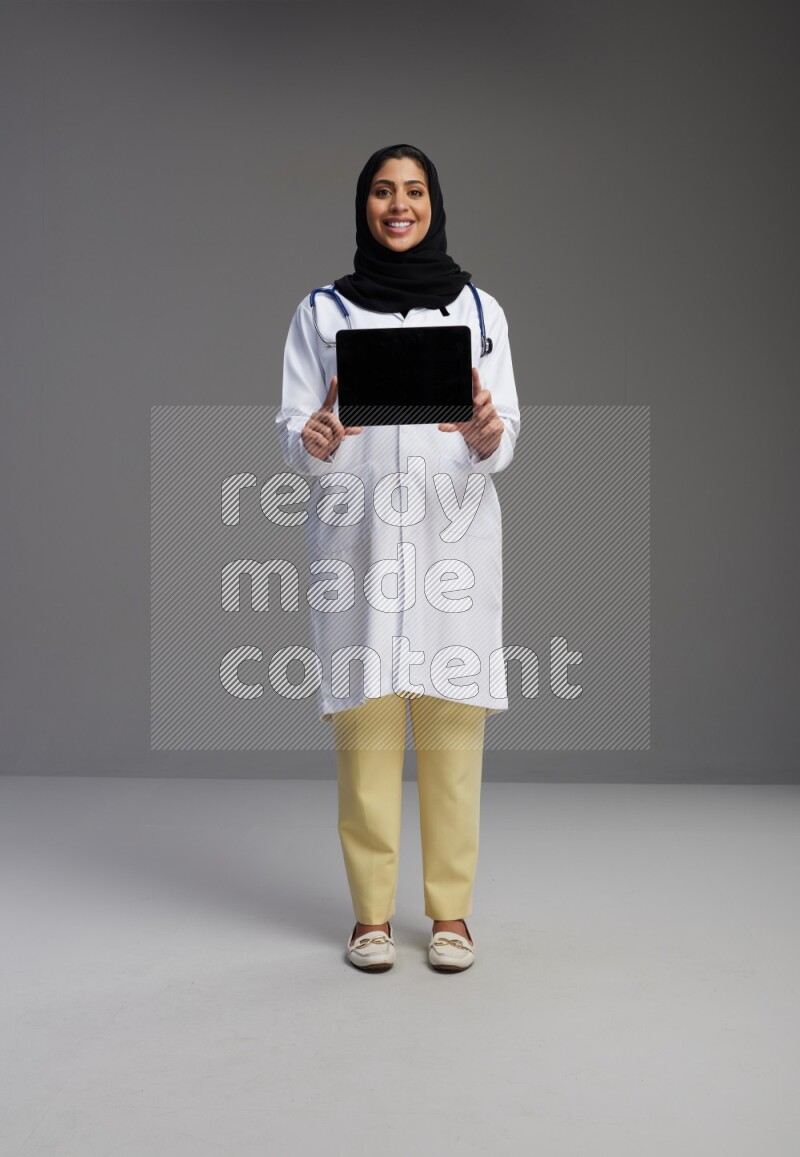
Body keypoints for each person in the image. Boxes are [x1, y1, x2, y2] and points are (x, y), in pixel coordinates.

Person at [276, 143, 520, 972]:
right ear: (364, 206)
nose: (398, 204)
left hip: (452, 543)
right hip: (362, 545)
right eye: (383, 191)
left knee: (453, 736)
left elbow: (506, 431)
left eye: (413, 190)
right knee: (367, 734)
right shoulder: (323, 311)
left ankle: (450, 916)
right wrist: (309, 438)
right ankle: (370, 917)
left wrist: (490, 435)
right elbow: (293, 428)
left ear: (434, 202)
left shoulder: (481, 311)